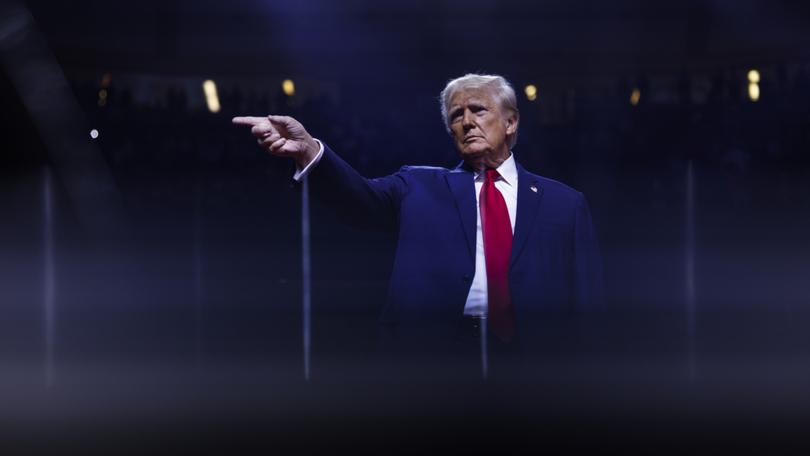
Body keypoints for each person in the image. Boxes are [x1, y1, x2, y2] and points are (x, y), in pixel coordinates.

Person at [233, 74, 604, 370]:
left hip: (533, 365)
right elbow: (359, 198)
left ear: (510, 122)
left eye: (478, 109)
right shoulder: (418, 184)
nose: (466, 122)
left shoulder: (564, 204)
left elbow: (588, 306)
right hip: (432, 360)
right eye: (456, 115)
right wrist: (312, 152)